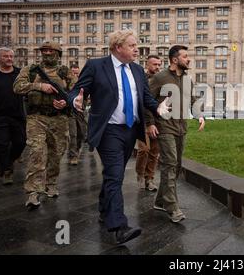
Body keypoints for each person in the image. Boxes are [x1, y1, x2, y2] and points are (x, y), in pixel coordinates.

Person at [69, 30, 169, 245]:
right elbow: (78, 90)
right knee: (115, 175)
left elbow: (144, 96)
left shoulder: (137, 70)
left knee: (113, 174)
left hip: (130, 130)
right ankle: (119, 226)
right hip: (108, 130)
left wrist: (158, 107)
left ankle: (105, 210)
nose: (137, 49)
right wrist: (75, 100)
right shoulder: (96, 66)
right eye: (132, 45)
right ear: (117, 48)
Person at [13, 41, 76, 208]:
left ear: (58, 53)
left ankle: (51, 183)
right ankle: (33, 192)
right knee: (37, 153)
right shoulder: (31, 70)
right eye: (44, 51)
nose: (47, 53)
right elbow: (17, 87)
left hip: (59, 119)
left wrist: (65, 102)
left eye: (51, 51)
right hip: (36, 118)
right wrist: (39, 86)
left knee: (56, 154)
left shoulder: (65, 72)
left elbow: (76, 93)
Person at [148, 45, 205, 223]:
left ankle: (160, 201)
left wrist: (199, 115)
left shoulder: (188, 79)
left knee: (177, 165)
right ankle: (172, 207)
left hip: (181, 127)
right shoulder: (160, 77)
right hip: (164, 126)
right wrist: (149, 123)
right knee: (170, 163)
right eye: (185, 56)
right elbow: (147, 100)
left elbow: (193, 100)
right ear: (174, 60)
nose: (189, 59)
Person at [0, 48, 26, 185]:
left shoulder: (20, 73)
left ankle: (9, 161)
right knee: (1, 144)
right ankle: (6, 171)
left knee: (21, 142)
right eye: (6, 56)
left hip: (17, 116)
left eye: (11, 56)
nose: (10, 59)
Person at [135, 55, 162, 191]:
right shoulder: (141, 79)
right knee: (144, 149)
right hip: (144, 120)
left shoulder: (162, 80)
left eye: (159, 64)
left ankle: (149, 179)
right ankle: (140, 174)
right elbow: (142, 102)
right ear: (147, 65)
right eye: (154, 64)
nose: (157, 67)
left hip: (158, 121)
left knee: (154, 152)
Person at [68, 65, 87, 165]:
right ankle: (73, 155)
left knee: (81, 134)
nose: (75, 75)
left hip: (80, 112)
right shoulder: (67, 82)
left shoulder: (83, 82)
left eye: (76, 73)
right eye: (73, 73)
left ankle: (76, 149)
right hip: (70, 111)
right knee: (73, 134)